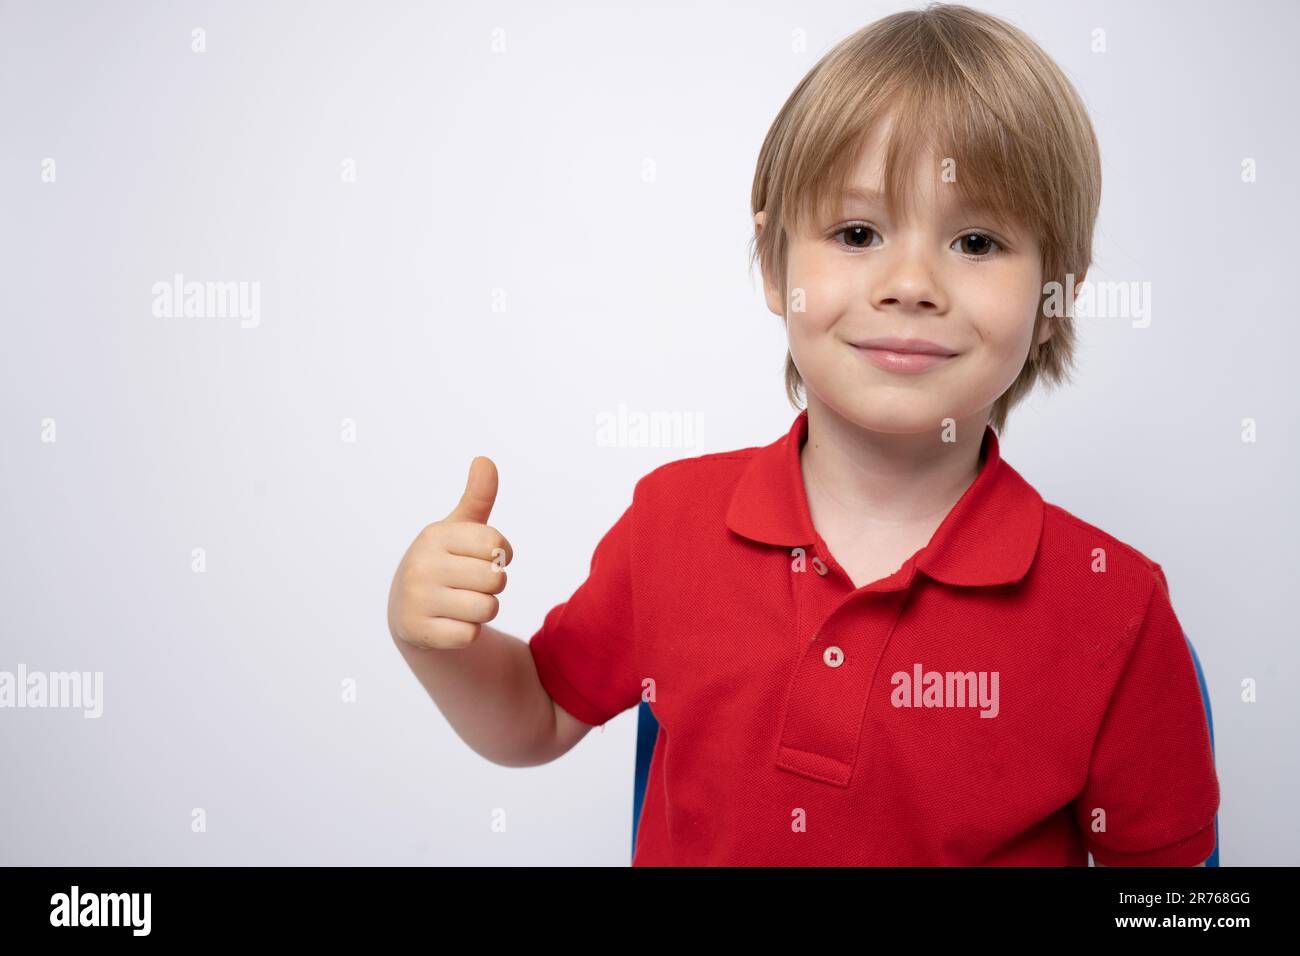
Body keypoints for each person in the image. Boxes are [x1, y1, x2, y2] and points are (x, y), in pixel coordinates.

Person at [387, 3, 1218, 866]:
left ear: (1058, 297)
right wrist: (437, 644)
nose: (911, 283)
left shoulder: (1114, 610)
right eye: (857, 233)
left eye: (976, 240)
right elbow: (538, 714)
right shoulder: (672, 523)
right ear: (777, 265)